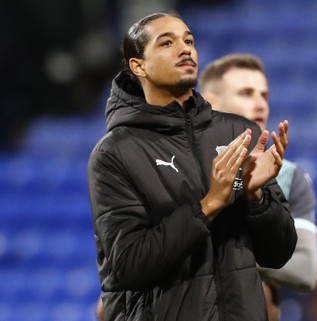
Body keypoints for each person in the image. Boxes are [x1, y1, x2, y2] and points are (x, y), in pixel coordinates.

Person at [88, 12, 297, 321]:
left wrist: (256, 199)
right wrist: (209, 205)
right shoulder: (115, 153)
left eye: (189, 40)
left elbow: (279, 253)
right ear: (138, 66)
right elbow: (129, 265)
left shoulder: (238, 133)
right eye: (167, 43)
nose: (185, 49)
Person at [199, 54, 317, 321]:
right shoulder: (182, 166)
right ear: (210, 102)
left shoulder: (288, 176)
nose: (260, 103)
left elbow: (304, 270)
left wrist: (227, 261)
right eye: (246, 93)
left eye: (264, 95)